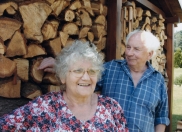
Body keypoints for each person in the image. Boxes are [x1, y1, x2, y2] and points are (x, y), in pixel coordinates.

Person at [37, 30, 170, 132]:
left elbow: (161, 117)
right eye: (128, 47)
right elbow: (84, 76)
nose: (129, 53)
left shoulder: (158, 80)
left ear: (150, 54)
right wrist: (59, 66)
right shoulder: (111, 68)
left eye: (136, 49)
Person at [0, 41, 127, 131]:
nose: (86, 77)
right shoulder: (45, 106)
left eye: (92, 71)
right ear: (63, 76)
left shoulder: (112, 108)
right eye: (78, 70)